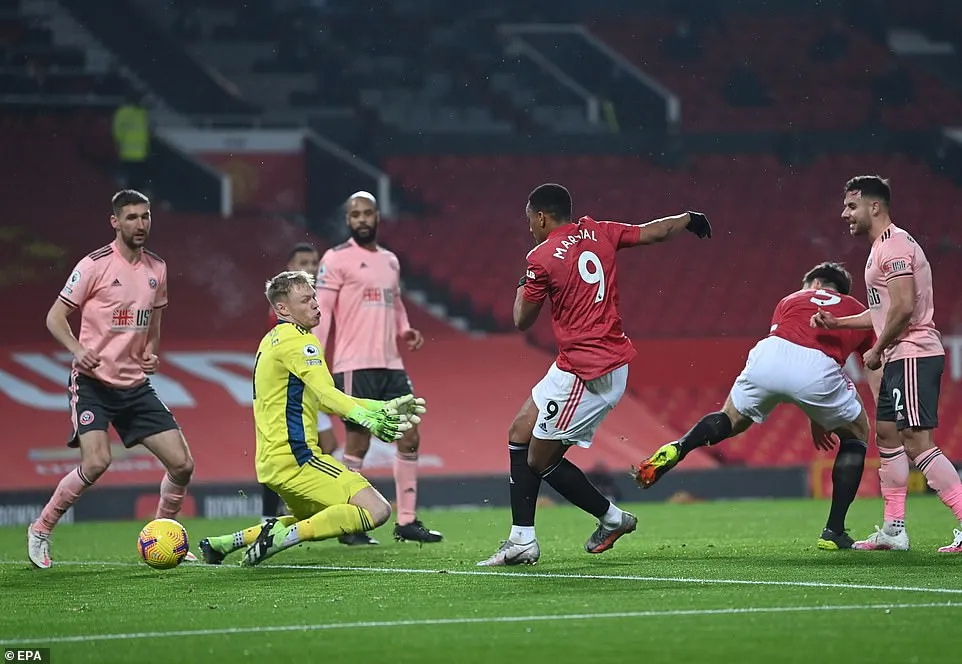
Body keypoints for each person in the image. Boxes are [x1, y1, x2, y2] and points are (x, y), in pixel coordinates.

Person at [477, 183, 713, 566]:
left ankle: (613, 518)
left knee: (539, 460)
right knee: (520, 431)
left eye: (530, 220)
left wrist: (524, 282)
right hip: (581, 362)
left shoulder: (541, 257)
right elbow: (652, 231)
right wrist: (688, 218)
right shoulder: (598, 230)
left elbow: (521, 319)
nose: (530, 228)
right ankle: (521, 539)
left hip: (589, 371)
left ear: (541, 217)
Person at [635, 262, 876, 550]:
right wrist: (824, 416)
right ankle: (834, 531)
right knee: (857, 433)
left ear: (814, 284)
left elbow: (790, 357)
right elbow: (863, 360)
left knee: (731, 417)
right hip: (818, 368)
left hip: (770, 353)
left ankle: (681, 446)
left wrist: (817, 416)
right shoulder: (858, 310)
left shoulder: (790, 300)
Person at [198, 270, 426, 566]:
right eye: (305, 300)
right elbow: (328, 395)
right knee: (377, 510)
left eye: (314, 297)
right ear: (283, 309)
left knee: (313, 517)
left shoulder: (272, 340)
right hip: (299, 458)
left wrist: (380, 407)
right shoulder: (299, 342)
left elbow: (322, 398)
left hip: (272, 461)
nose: (316, 304)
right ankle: (279, 540)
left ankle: (223, 543)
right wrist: (367, 420)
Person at [28, 190, 196, 568]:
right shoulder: (94, 265)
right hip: (93, 383)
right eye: (132, 217)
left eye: (145, 216)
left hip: (134, 386)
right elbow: (55, 317)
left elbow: (153, 321)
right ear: (115, 222)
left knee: (182, 465)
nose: (140, 224)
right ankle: (41, 529)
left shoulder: (157, 269)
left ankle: (163, 534)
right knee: (96, 462)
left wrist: (151, 351)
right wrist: (77, 350)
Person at [813, 175, 962, 553]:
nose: (845, 214)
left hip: (912, 352)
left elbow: (904, 306)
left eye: (852, 206)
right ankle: (894, 531)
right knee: (887, 436)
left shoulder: (893, 246)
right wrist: (837, 323)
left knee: (917, 442)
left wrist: (877, 349)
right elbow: (882, 311)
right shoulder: (881, 247)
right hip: (900, 355)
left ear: (874, 206)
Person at [315, 191, 442, 545]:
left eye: (367, 213)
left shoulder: (390, 260)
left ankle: (406, 521)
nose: (361, 219)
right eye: (355, 214)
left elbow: (395, 301)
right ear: (347, 220)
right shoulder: (335, 258)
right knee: (358, 443)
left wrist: (405, 330)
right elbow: (322, 311)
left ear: (377, 217)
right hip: (354, 365)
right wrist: (315, 358)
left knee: (410, 435)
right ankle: (349, 523)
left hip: (391, 364)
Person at [260, 242, 340, 523]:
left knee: (328, 444)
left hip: (311, 383)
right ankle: (270, 515)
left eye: (314, 263)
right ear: (290, 267)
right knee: (283, 452)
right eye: (303, 263)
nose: (311, 268)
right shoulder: (284, 310)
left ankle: (297, 502)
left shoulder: (315, 301)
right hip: (294, 387)